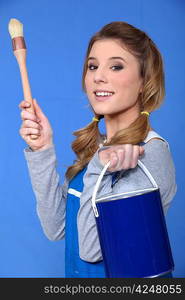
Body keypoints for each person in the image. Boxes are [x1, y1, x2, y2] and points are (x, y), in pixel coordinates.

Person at [19, 21, 177, 278]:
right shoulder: (100, 148)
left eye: (116, 66)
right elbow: (57, 227)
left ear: (143, 82)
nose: (98, 76)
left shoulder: (149, 153)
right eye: (92, 66)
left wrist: (96, 169)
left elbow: (91, 250)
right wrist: (42, 150)